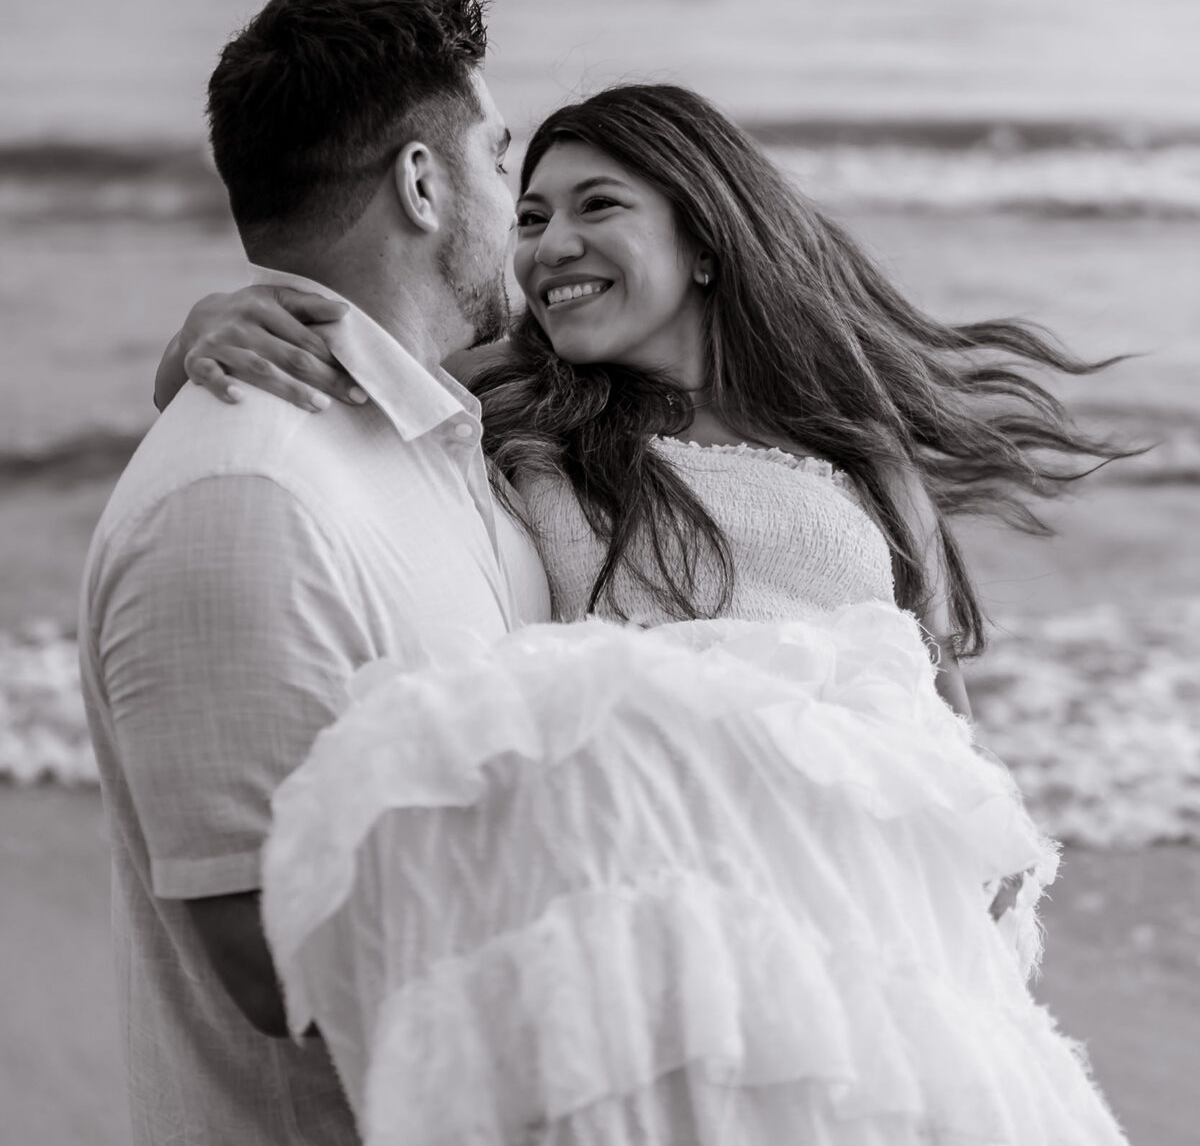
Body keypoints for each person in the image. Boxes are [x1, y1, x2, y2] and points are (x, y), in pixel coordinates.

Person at [159, 83, 1130, 1144]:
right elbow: (344, 393)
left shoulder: (859, 452)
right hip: (663, 971)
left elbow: (937, 716)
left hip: (859, 955)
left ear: (704, 239)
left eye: (597, 206)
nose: (550, 245)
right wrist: (199, 331)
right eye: (529, 217)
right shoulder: (515, 414)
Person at [79, 0, 551, 1146]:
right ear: (425, 184)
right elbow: (287, 967)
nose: (522, 203)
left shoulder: (435, 431)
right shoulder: (244, 500)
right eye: (500, 157)